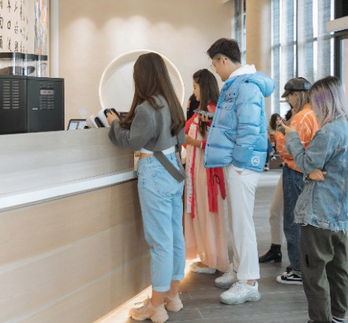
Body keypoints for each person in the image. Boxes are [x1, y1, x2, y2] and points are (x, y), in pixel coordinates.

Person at [107, 52, 186, 323]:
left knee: (160, 242)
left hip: (154, 170)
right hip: (174, 169)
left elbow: (131, 140)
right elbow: (179, 138)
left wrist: (114, 124)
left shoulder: (146, 108)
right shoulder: (173, 103)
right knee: (175, 237)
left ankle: (156, 306)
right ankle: (172, 297)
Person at [281, 76, 348, 323]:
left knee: (313, 272)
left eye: (314, 102)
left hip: (320, 213)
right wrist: (311, 170)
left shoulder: (328, 132)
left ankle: (320, 319)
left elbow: (306, 163)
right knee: (338, 269)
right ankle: (337, 315)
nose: (312, 107)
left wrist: (292, 137)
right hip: (340, 212)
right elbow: (315, 167)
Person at [204, 38, 274, 305]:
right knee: (237, 219)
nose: (215, 70)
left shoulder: (245, 86)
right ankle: (239, 269)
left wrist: (240, 162)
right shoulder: (237, 84)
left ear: (223, 59)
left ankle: (249, 281)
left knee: (242, 222)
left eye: (214, 64)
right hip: (236, 161)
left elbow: (249, 128)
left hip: (242, 164)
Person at [274, 77, 319, 285]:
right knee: (304, 220)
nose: (288, 100)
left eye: (289, 96)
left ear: (296, 95)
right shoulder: (314, 114)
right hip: (308, 172)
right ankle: (305, 266)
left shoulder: (300, 118)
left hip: (295, 171)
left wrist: (278, 135)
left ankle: (298, 269)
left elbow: (288, 151)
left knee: (293, 221)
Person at [183, 69, 229, 275]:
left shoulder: (212, 111)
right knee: (201, 212)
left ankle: (211, 259)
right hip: (197, 169)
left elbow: (218, 143)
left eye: (195, 87)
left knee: (207, 213)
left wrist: (194, 143)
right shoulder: (202, 111)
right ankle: (206, 256)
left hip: (206, 171)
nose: (194, 92)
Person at [259, 113, 285, 264]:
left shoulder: (303, 117)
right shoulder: (294, 116)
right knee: (275, 210)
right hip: (289, 169)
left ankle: (298, 263)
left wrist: (279, 137)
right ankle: (276, 248)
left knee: (293, 217)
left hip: (296, 170)